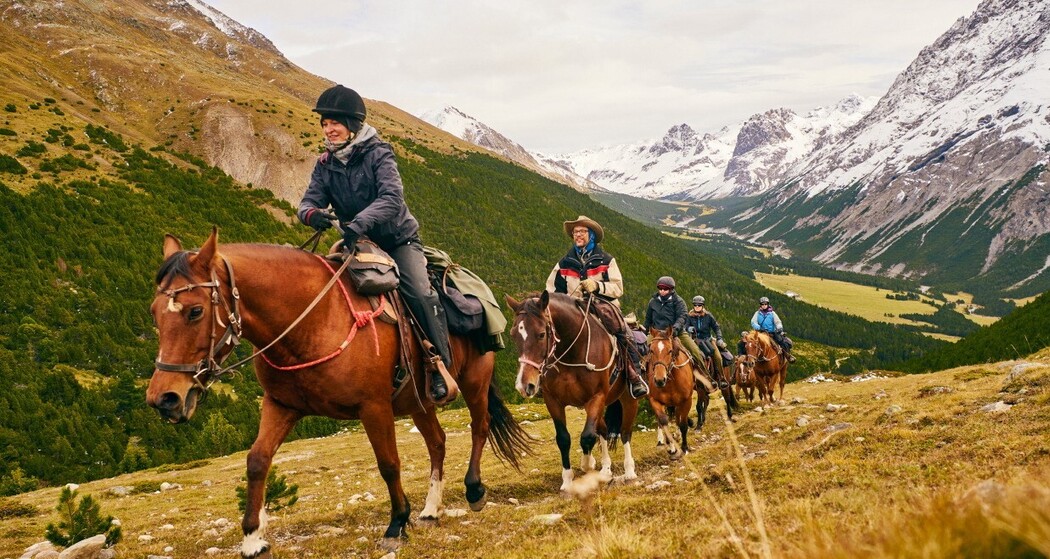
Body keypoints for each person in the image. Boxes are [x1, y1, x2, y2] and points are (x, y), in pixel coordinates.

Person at [298, 84, 458, 404]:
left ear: (353, 125)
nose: (328, 129)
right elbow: (308, 202)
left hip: (398, 240)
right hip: (357, 242)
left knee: (420, 293)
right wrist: (311, 214)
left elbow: (391, 198)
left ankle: (440, 366)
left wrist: (358, 223)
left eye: (335, 123)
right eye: (325, 124)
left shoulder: (378, 153)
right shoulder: (325, 164)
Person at [545, 216, 649, 398]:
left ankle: (635, 376)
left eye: (582, 231)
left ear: (591, 235)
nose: (578, 235)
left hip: (602, 304)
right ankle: (542, 377)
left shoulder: (606, 260)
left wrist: (597, 286)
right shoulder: (564, 263)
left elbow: (618, 288)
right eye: (575, 232)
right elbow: (551, 289)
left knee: (622, 331)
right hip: (573, 306)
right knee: (546, 331)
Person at [642, 277, 710, 384]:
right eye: (660, 288)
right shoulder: (653, 302)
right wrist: (643, 333)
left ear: (671, 289)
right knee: (641, 351)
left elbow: (682, 317)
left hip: (675, 332)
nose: (662, 291)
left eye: (665, 289)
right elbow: (648, 320)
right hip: (656, 334)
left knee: (695, 351)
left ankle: (705, 378)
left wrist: (675, 329)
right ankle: (638, 379)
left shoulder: (679, 302)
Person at [685, 296, 730, 389]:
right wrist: (688, 328)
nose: (697, 307)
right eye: (695, 305)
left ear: (703, 306)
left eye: (699, 305)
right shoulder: (689, 316)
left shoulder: (708, 316)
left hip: (708, 339)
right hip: (695, 341)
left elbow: (716, 327)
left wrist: (719, 338)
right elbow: (684, 327)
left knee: (718, 357)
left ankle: (722, 378)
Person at [749, 296, 795, 362]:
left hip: (772, 333)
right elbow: (753, 322)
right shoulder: (757, 313)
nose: (764, 305)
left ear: (768, 304)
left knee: (781, 341)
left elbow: (778, 322)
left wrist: (779, 328)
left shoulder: (772, 313)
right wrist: (759, 328)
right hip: (760, 333)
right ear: (760, 305)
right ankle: (747, 359)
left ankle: (788, 356)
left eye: (765, 304)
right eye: (762, 304)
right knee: (750, 343)